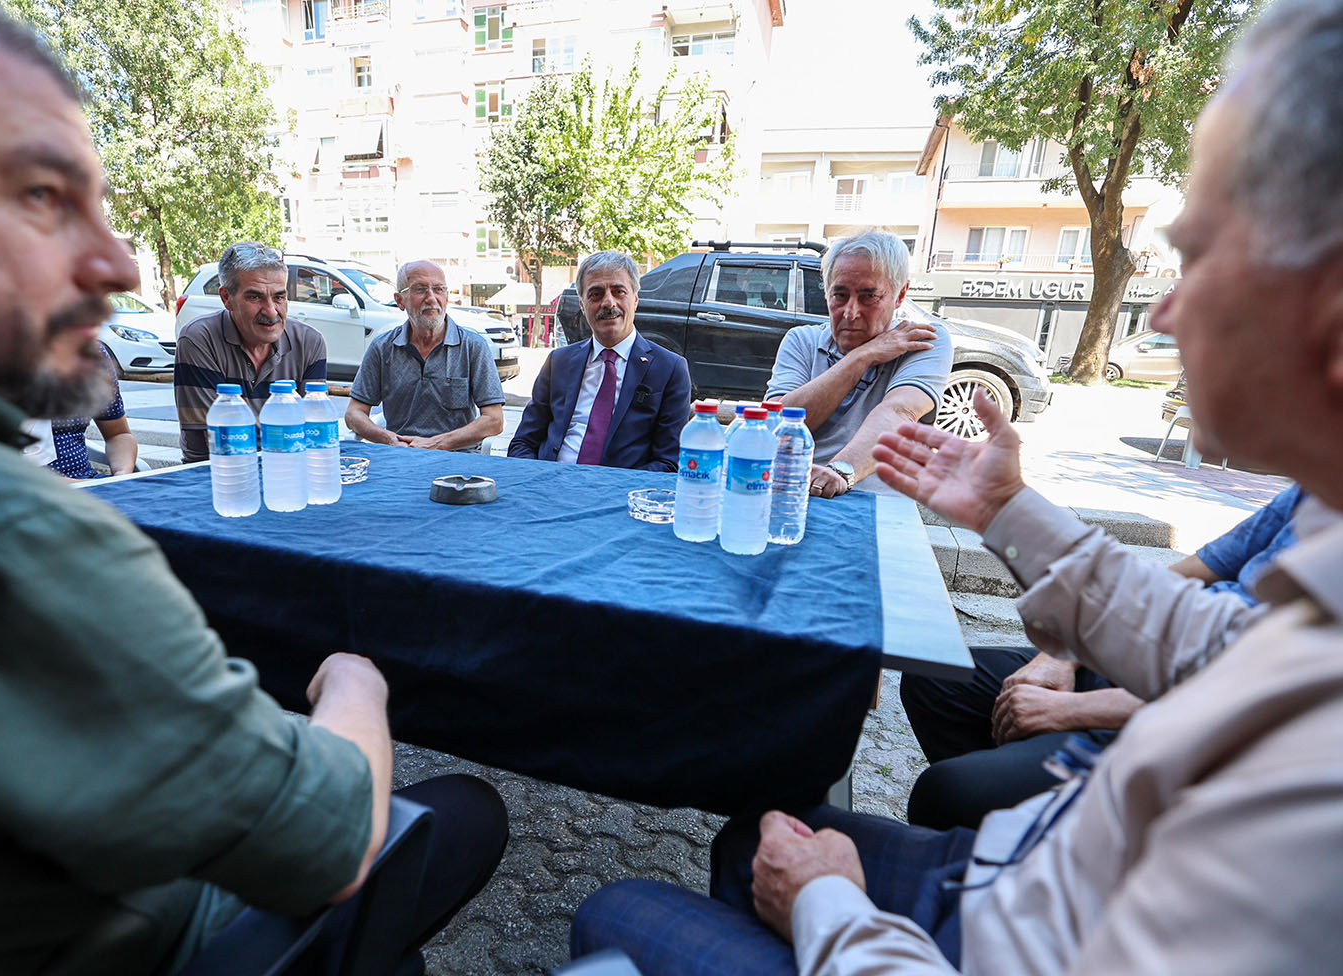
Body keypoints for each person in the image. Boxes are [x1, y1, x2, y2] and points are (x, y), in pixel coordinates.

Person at [570, 1, 1343, 970]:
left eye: (1198, 254)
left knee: (617, 907)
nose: (1169, 309)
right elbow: (1217, 646)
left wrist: (830, 908)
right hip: (1036, 865)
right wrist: (1011, 512)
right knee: (745, 837)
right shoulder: (1322, 556)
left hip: (982, 932)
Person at [0, 3, 506, 973]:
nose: (115, 264)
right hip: (158, 935)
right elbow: (329, 842)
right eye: (40, 195)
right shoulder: (8, 536)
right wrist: (357, 683)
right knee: (465, 810)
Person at [901, 482, 1308, 829]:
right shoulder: (1310, 491)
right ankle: (1037, 834)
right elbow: (1177, 578)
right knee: (940, 679)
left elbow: (1263, 692)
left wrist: (1072, 710)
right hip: (1146, 667)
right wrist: (1063, 653)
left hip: (1192, 722)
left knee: (949, 792)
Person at [765, 230, 949, 498]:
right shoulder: (801, 340)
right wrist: (863, 356)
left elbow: (900, 413)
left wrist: (839, 473)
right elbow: (779, 424)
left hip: (878, 502)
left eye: (869, 296)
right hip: (793, 494)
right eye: (840, 296)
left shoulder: (926, 339)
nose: (851, 313)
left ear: (900, 295)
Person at [508, 250, 692, 471]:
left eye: (619, 291)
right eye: (595, 294)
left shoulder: (669, 369)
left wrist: (609, 488)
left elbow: (668, 462)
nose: (608, 302)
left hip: (617, 493)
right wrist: (537, 478)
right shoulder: (559, 362)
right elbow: (523, 442)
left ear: (635, 300)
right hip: (549, 486)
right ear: (583, 306)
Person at [174, 242, 327, 463]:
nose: (271, 311)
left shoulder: (310, 342)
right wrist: (290, 433)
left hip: (289, 469)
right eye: (255, 297)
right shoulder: (199, 339)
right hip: (216, 474)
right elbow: (216, 440)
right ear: (226, 298)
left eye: (279, 297)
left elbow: (315, 430)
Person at [344, 260, 505, 452]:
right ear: (400, 301)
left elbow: (495, 420)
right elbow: (354, 413)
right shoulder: (382, 348)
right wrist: (388, 439)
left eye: (438, 289)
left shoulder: (473, 347)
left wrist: (436, 444)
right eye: (420, 290)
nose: (431, 298)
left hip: (457, 459)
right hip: (401, 455)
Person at [44, 344, 139, 478]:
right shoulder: (11, 358)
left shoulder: (93, 354)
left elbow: (118, 433)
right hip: (31, 490)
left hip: (87, 481)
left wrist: (121, 474)